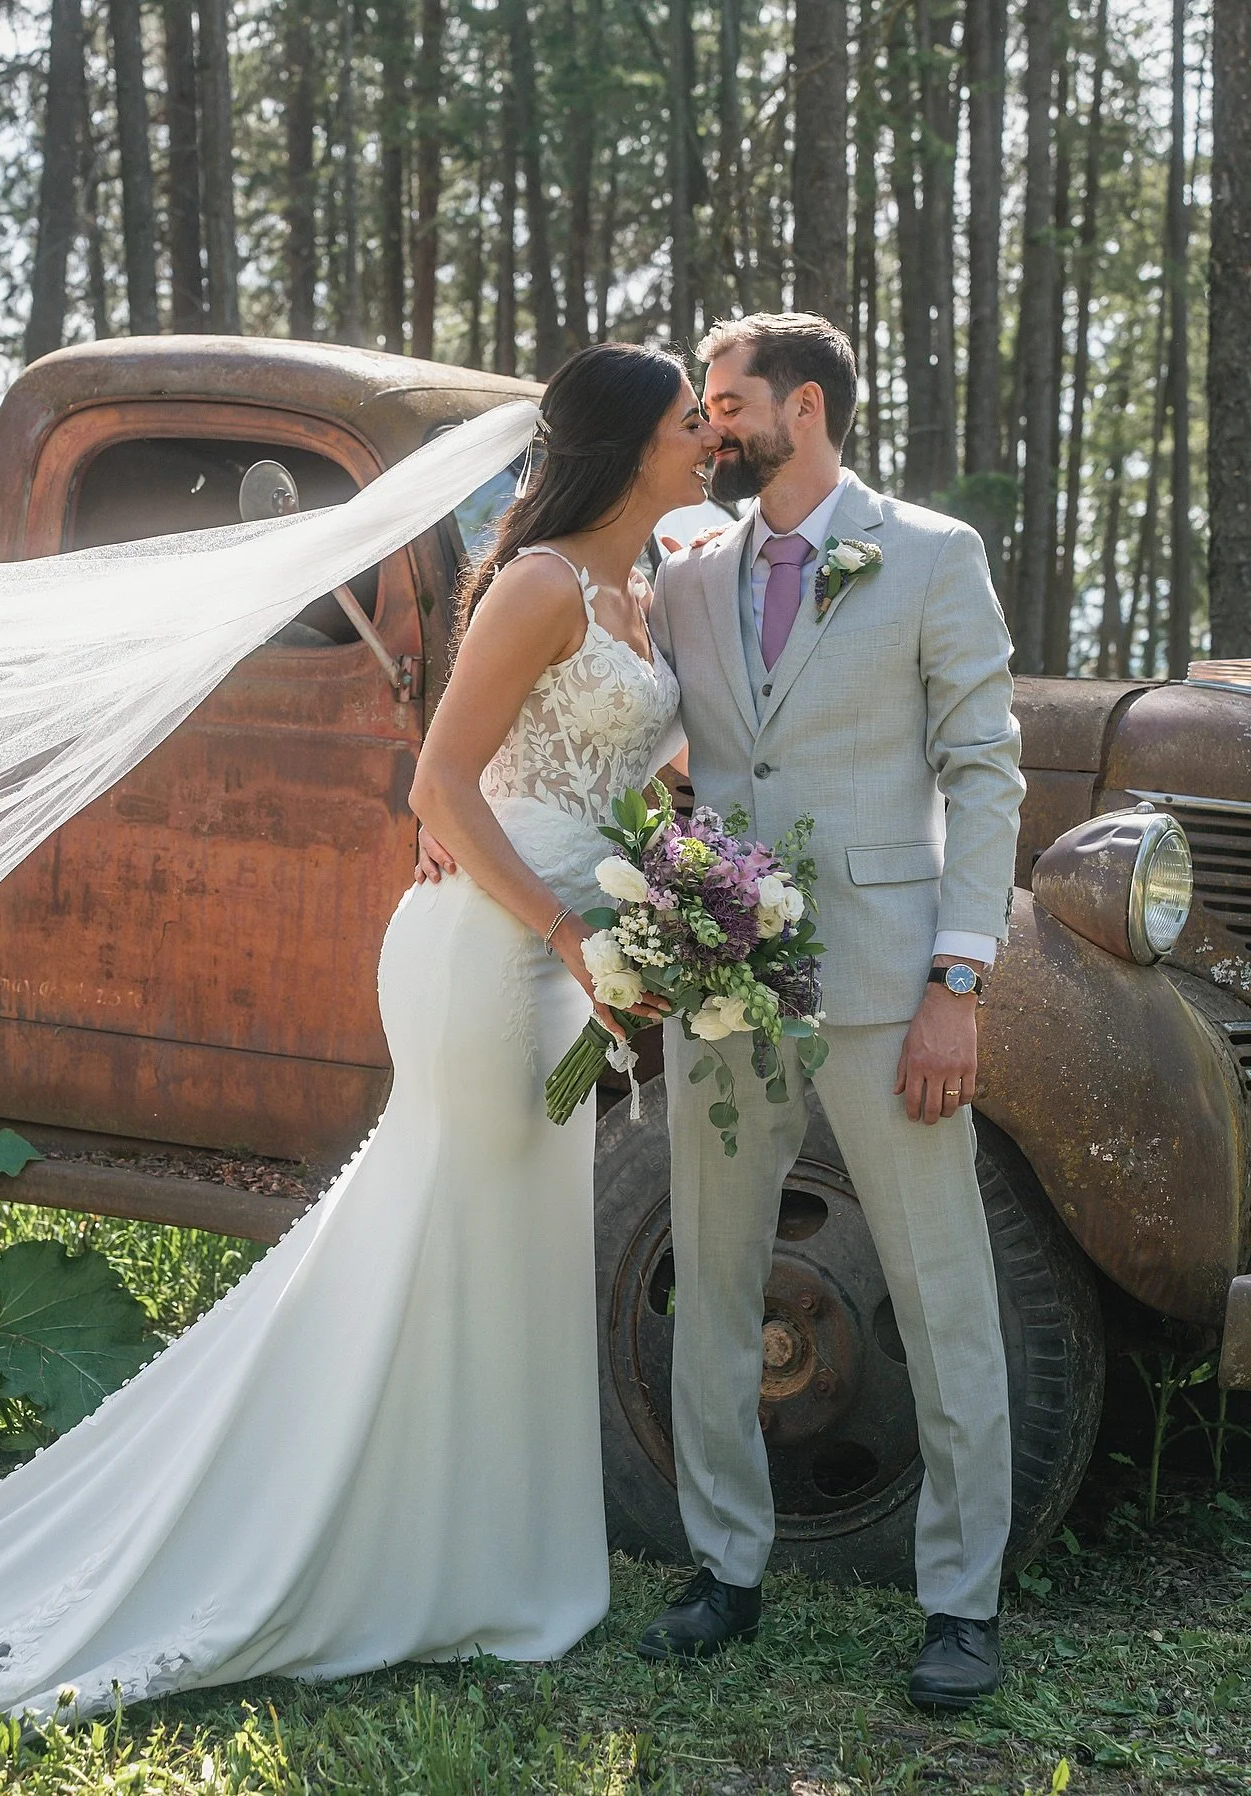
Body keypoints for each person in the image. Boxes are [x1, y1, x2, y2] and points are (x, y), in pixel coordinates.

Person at [0, 343, 714, 1749]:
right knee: (454, 1230)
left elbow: (626, 772)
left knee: (514, 1244)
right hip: (490, 952)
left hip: (580, 960)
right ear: (625, 444)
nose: (704, 440)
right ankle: (375, 1548)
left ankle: (495, 1551)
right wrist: (563, 933)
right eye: (683, 425)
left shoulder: (644, 596)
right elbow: (439, 783)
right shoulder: (537, 586)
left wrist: (680, 903)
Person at [641, 313, 1024, 1710]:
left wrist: (957, 982)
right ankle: (722, 1568)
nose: (708, 426)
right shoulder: (689, 574)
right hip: (722, 985)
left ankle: (961, 1604)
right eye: (700, 405)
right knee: (715, 1278)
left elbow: (985, 771)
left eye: (727, 403)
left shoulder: (931, 554)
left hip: (886, 979)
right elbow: (654, 746)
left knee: (942, 1294)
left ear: (806, 407)